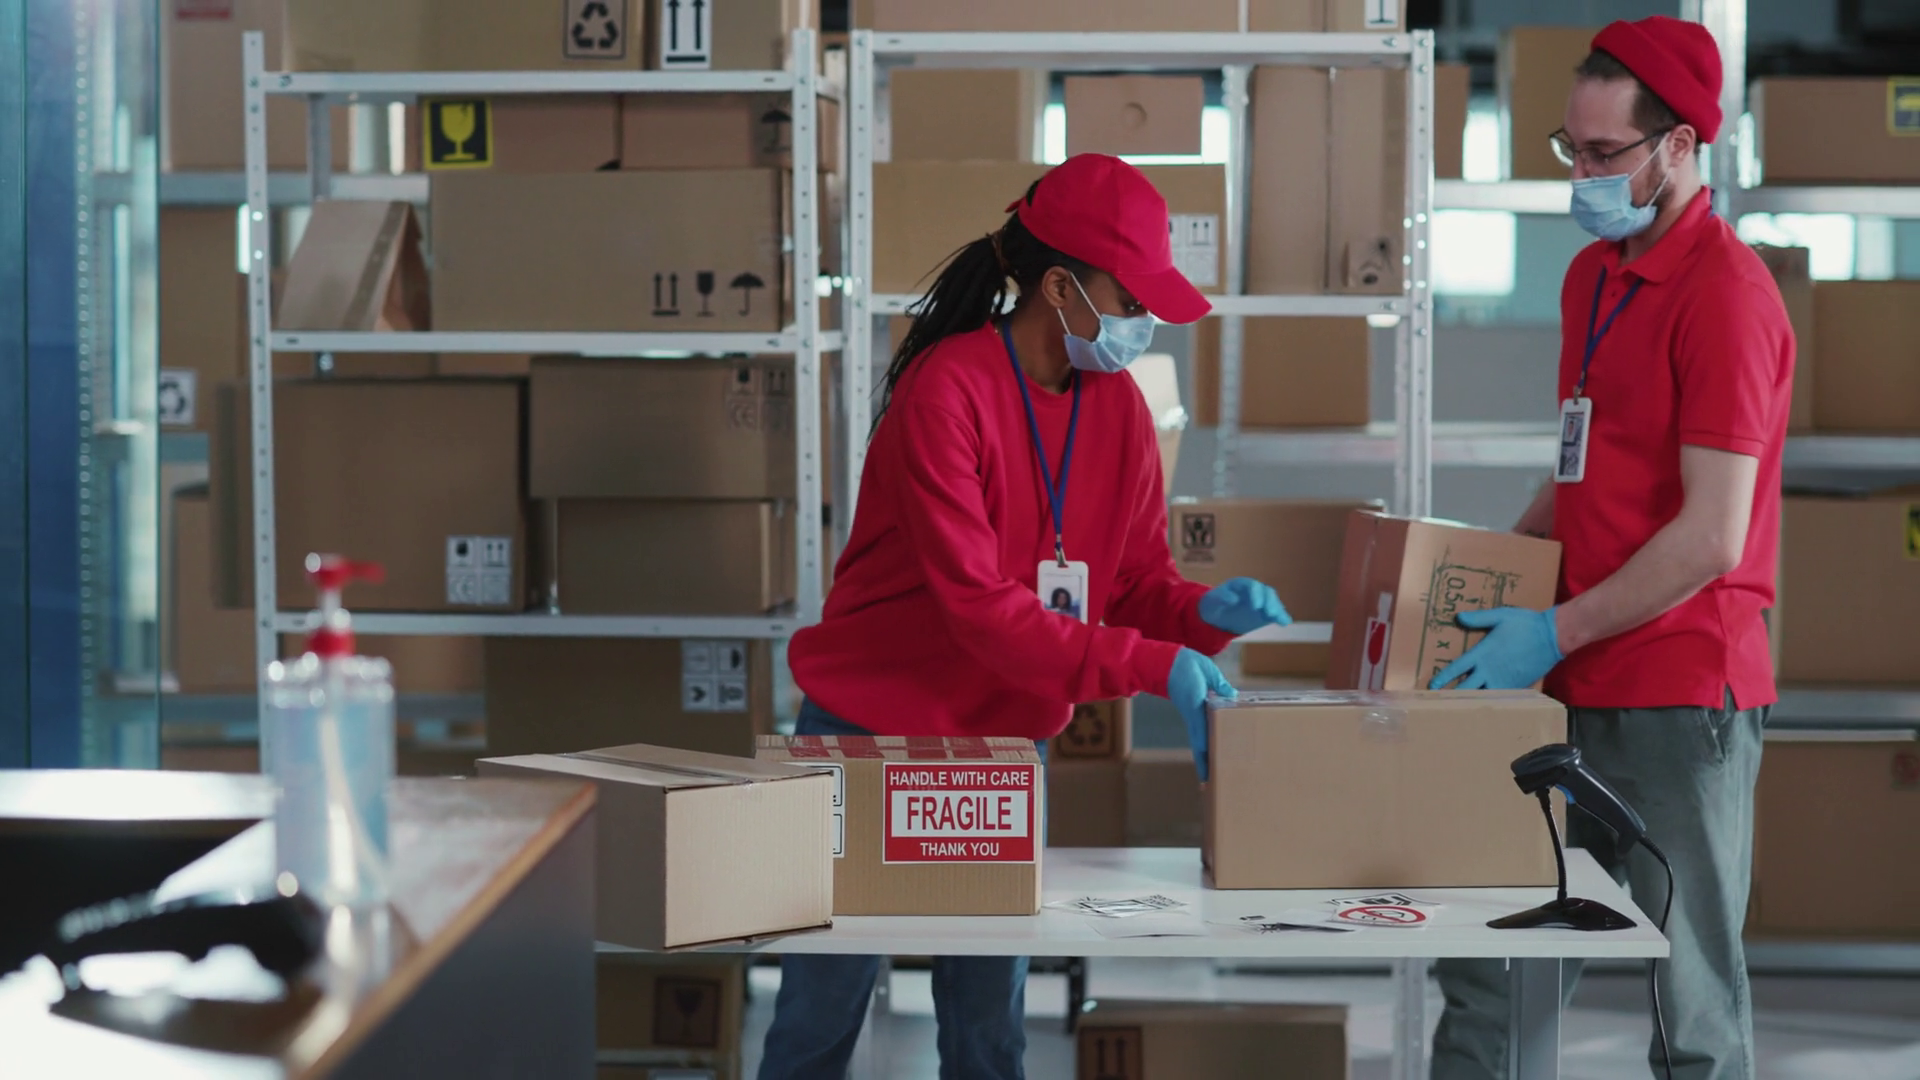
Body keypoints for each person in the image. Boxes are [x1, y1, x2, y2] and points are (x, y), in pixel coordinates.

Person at [757, 153, 1293, 1080]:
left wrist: (1199, 614)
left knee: (988, 1030)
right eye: (1130, 298)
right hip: (868, 732)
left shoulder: (1120, 409)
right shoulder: (947, 390)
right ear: (1058, 287)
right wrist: (1152, 665)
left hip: (1003, 744)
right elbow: (980, 610)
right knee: (819, 1015)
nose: (1143, 321)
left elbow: (1131, 583)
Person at [1426, 17, 1793, 1080]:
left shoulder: (1727, 298)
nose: (1580, 176)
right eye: (1569, 150)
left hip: (1678, 697)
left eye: (1602, 154)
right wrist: (1492, 567)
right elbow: (1586, 464)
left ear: (1678, 146)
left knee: (1691, 1003)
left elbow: (1711, 535)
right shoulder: (1592, 276)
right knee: (1493, 964)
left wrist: (1553, 628)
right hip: (1569, 684)